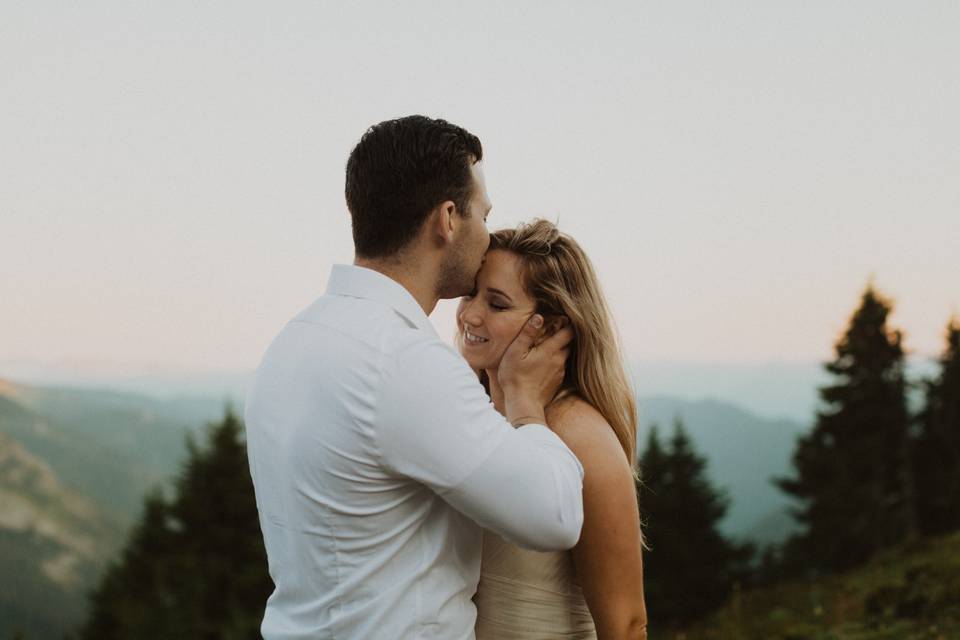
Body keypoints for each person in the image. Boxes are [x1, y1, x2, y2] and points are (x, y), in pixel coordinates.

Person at [244, 116, 586, 640]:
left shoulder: (294, 340)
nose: (487, 233)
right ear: (448, 219)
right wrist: (525, 401)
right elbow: (554, 516)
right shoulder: (403, 360)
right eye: (483, 214)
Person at [459, 219, 648, 639]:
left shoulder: (581, 435)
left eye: (497, 304)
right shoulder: (469, 416)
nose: (470, 314)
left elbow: (628, 625)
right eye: (471, 293)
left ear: (553, 328)